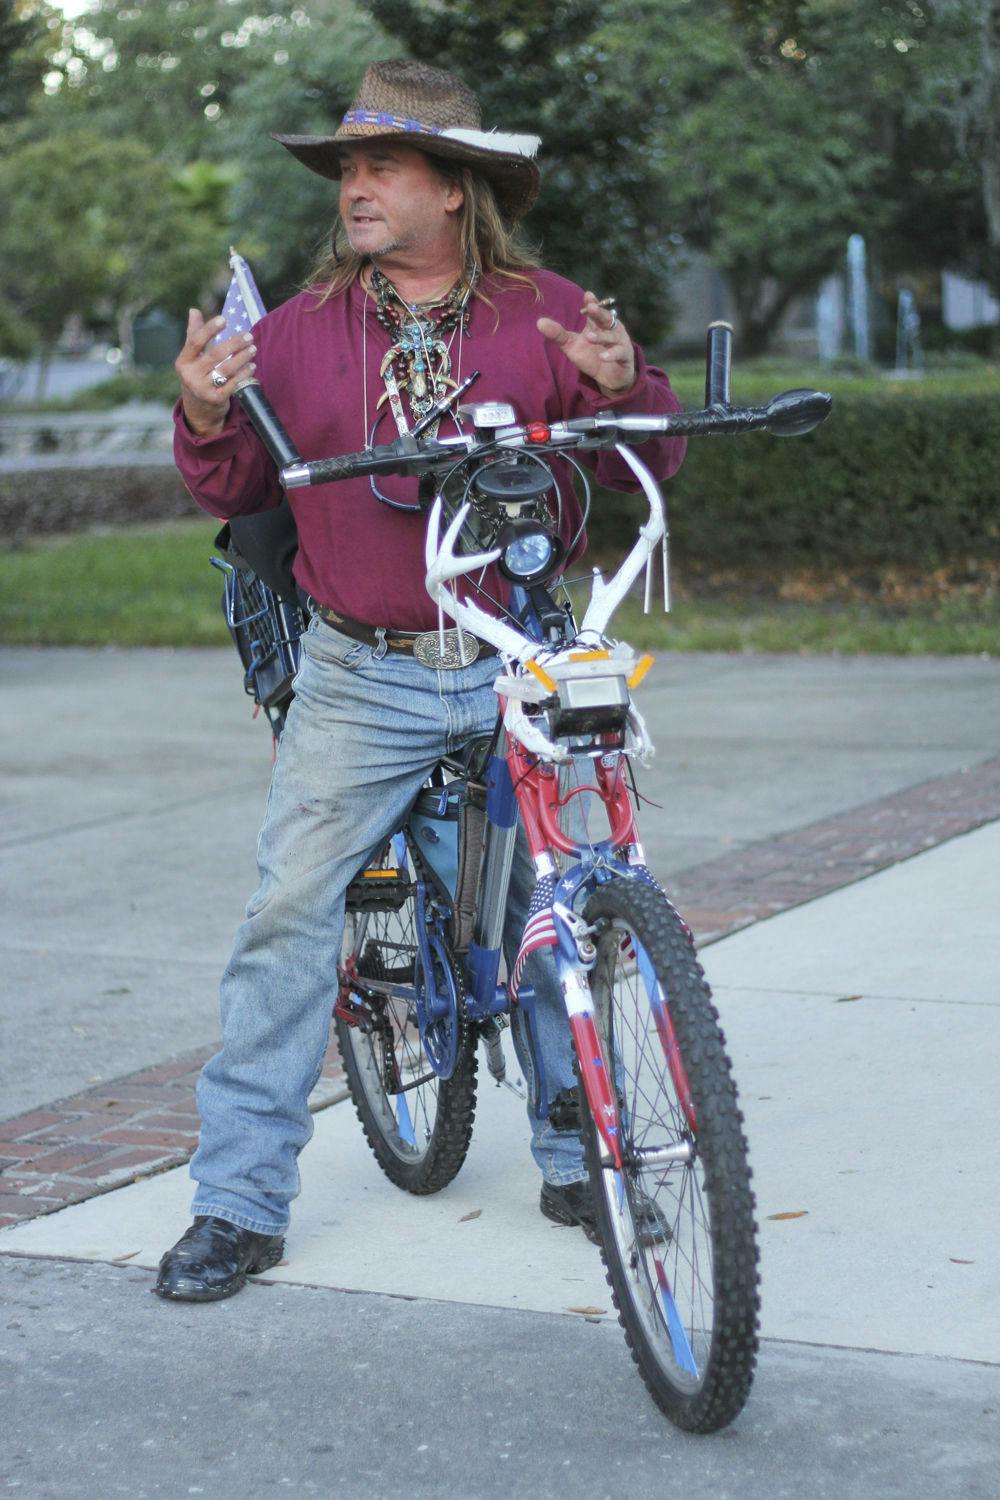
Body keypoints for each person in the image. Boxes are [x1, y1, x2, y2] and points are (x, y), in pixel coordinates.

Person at [157, 58, 686, 1302]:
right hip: (364, 670)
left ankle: (579, 1154)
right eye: (346, 167)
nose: (354, 187)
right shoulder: (289, 332)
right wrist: (203, 410)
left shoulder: (545, 310)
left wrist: (622, 386)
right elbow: (233, 493)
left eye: (381, 165)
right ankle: (237, 1203)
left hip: (524, 655)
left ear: (454, 188)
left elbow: (639, 463)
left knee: (559, 911)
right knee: (287, 920)